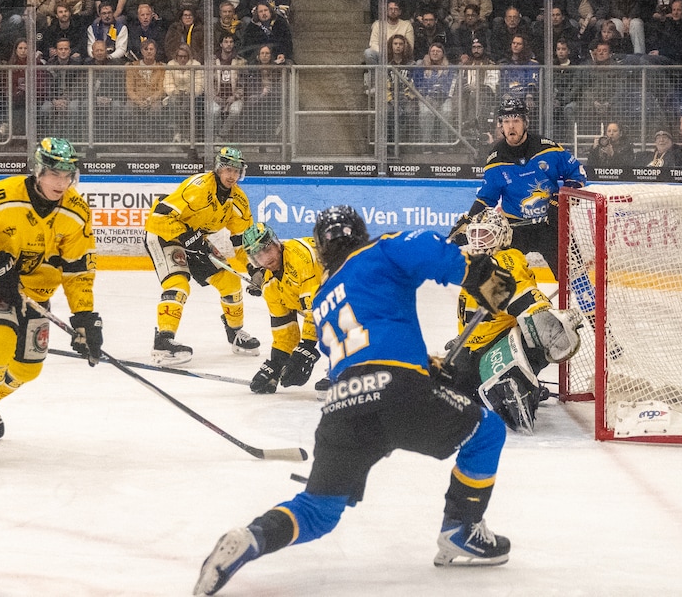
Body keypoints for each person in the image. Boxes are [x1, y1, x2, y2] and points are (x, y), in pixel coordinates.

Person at [193, 204, 519, 596]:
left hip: (341, 404)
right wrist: (482, 275)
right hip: (396, 390)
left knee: (318, 510)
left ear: (321, 247)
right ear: (360, 233)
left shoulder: (324, 294)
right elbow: (432, 250)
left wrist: (422, 366)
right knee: (487, 433)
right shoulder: (379, 249)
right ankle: (461, 529)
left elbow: (361, 353)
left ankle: (253, 537)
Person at [0, 138, 103, 458]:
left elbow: (78, 269)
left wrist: (84, 317)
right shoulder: (3, 197)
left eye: (68, 175)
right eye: (54, 174)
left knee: (28, 369)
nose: (61, 182)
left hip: (37, 293)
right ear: (39, 171)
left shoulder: (76, 212)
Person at [444, 207, 581, 434]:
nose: (479, 242)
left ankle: (522, 384)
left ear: (502, 237)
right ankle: (527, 386)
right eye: (474, 235)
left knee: (533, 339)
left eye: (485, 235)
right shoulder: (477, 263)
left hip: (499, 345)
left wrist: (552, 326)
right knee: (454, 395)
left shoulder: (506, 259)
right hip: (474, 348)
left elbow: (523, 297)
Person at [143, 146, 260, 366]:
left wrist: (255, 269)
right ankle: (163, 341)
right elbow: (159, 216)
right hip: (163, 233)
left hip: (195, 239)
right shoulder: (199, 188)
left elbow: (242, 241)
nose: (232, 175)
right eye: (228, 169)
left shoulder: (239, 202)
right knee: (178, 284)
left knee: (230, 281)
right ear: (218, 168)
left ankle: (235, 333)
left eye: (236, 171)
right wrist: (187, 237)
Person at [448, 96, 587, 273]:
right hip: (514, 229)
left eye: (516, 120)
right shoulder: (495, 161)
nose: (511, 126)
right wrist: (470, 220)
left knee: (576, 276)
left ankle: (587, 300)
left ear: (525, 122)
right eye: (506, 121)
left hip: (551, 225)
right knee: (505, 277)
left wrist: (564, 196)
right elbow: (486, 199)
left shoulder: (548, 149)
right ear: (501, 125)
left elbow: (577, 172)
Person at [242, 223, 325, 396]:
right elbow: (284, 329)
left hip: (370, 286)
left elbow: (317, 308)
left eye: (267, 249)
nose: (265, 259)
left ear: (276, 243)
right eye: (258, 255)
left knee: (340, 313)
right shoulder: (269, 284)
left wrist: (307, 349)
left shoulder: (300, 259)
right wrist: (276, 365)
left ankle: (351, 369)